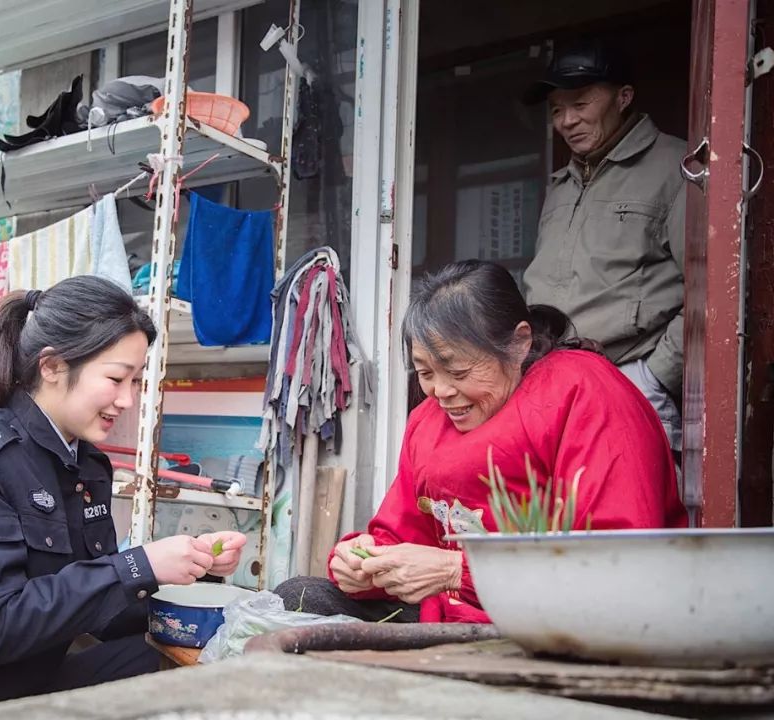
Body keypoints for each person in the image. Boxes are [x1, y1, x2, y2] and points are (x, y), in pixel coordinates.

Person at [0, 275, 246, 719]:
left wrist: (192, 570)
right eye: (117, 378)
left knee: (172, 663)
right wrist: (138, 565)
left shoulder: (86, 465)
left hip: (16, 688)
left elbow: (99, 611)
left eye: (136, 381)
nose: (128, 400)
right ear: (52, 366)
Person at [275, 260, 687, 624]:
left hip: (550, 623)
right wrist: (361, 561)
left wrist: (457, 570)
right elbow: (399, 536)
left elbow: (622, 565)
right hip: (449, 614)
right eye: (425, 372)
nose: (440, 391)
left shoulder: (584, 391)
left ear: (519, 342)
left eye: (457, 370)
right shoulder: (428, 421)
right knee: (297, 597)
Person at [521, 38, 686, 456]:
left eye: (580, 104)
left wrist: (654, 375)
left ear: (624, 97)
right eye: (557, 110)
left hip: (628, 378)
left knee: (628, 516)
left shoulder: (676, 168)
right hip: (551, 384)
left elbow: (712, 293)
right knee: (557, 516)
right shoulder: (562, 185)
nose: (566, 121)